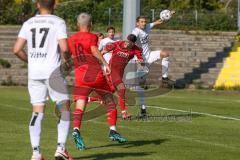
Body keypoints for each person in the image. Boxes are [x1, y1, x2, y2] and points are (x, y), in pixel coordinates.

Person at [13, 0, 72, 159]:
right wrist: (68, 60)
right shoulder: (58, 22)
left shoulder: (28, 22)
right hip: (53, 72)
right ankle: (60, 148)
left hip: (35, 73)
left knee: (37, 111)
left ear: (38, 5)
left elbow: (17, 49)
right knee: (64, 108)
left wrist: (31, 61)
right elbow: (65, 48)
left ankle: (36, 153)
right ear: (54, 5)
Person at [67, 13, 127, 150]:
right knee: (110, 101)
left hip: (80, 76)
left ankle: (76, 129)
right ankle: (112, 130)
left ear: (77, 24)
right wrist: (105, 63)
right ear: (91, 24)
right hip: (95, 74)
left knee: (80, 105)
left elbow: (67, 53)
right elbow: (94, 49)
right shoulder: (92, 36)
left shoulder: (72, 39)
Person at [132, 14, 175, 116]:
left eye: (144, 21)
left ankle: (164, 78)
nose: (144, 23)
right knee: (141, 86)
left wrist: (167, 15)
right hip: (140, 60)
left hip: (149, 55)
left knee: (165, 54)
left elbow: (158, 22)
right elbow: (131, 37)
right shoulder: (136, 31)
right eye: (141, 22)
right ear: (137, 23)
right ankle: (143, 109)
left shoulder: (146, 27)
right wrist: (131, 39)